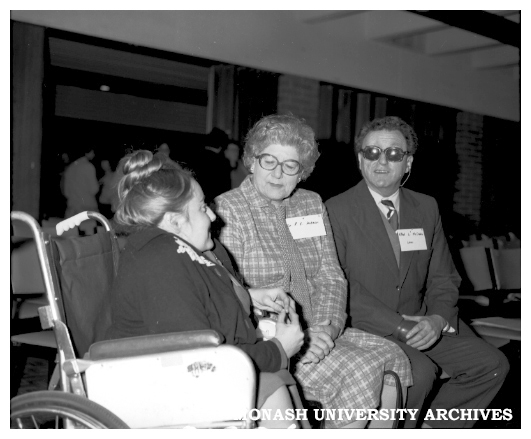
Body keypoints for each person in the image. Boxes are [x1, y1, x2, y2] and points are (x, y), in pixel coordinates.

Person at [215, 114, 412, 429]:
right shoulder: (229, 210)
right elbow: (235, 300)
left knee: (393, 356)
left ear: (302, 172)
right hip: (272, 340)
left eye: (290, 165)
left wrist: (326, 329)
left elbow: (331, 276)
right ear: (252, 162)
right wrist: (301, 340)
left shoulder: (310, 203)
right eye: (269, 161)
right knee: (362, 367)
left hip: (321, 326)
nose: (279, 173)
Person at [325, 116, 509, 428]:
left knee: (492, 365)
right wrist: (399, 327)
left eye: (394, 154)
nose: (382, 161)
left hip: (424, 318)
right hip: (371, 325)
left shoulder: (426, 207)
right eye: (372, 152)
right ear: (359, 160)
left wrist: (438, 319)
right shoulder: (335, 210)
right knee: (419, 374)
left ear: (407, 163)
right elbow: (341, 286)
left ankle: (430, 427)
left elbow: (444, 276)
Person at [105, 150, 306, 429]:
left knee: (274, 385)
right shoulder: (161, 260)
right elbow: (201, 360)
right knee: (272, 384)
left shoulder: (173, 251)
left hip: (170, 375)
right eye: (202, 207)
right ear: (174, 221)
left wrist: (250, 300)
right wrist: (278, 349)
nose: (212, 215)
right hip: (155, 387)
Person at [62, 145, 99, 235]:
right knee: (90, 236)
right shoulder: (89, 167)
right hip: (87, 205)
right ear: (88, 153)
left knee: (75, 237)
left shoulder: (70, 168)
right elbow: (94, 189)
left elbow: (66, 191)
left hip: (73, 206)